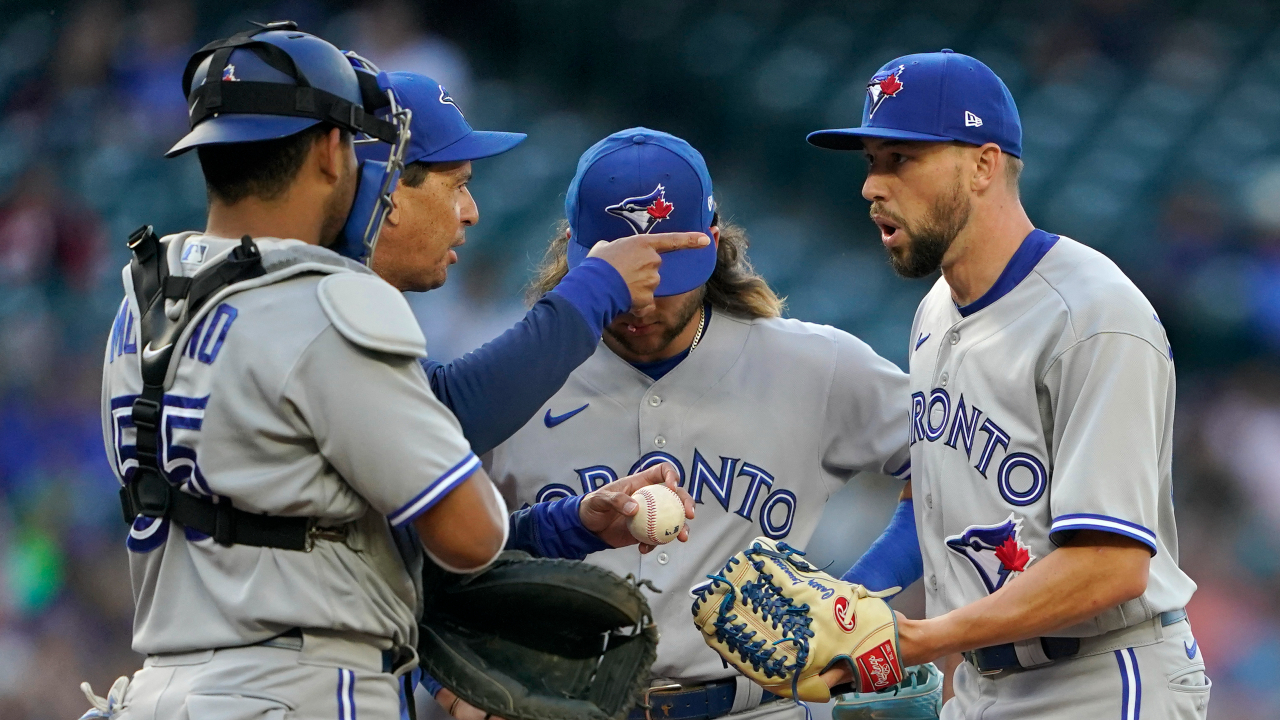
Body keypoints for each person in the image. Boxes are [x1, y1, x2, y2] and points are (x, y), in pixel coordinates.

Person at [94, 26, 696, 720]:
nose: (471, 211)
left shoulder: (144, 301)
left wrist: (566, 527)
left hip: (161, 690)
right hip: (300, 691)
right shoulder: (322, 303)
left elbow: (334, 501)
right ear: (333, 151)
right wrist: (593, 294)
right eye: (457, 184)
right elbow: (466, 528)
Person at [429, 127, 915, 720]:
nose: (643, 303)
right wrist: (444, 678)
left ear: (713, 246)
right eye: (623, 276)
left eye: (666, 275)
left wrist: (861, 591)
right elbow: (413, 546)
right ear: (575, 252)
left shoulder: (817, 365)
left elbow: (948, 468)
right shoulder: (510, 377)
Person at [806, 50, 1210, 719]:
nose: (872, 186)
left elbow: (1111, 565)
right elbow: (930, 501)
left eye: (900, 159)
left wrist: (922, 639)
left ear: (984, 165)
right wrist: (850, 597)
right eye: (871, 162)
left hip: (1104, 679)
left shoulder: (1092, 315)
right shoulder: (937, 309)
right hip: (987, 682)